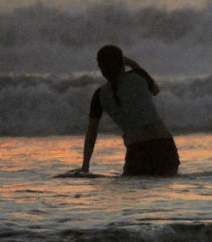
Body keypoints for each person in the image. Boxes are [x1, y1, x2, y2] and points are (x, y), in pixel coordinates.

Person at [70, 45, 179, 177]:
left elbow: (91, 134)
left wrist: (85, 166)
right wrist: (133, 64)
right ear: (122, 62)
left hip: (137, 154)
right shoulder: (139, 75)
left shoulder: (99, 96)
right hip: (165, 147)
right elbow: (155, 91)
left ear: (101, 68)